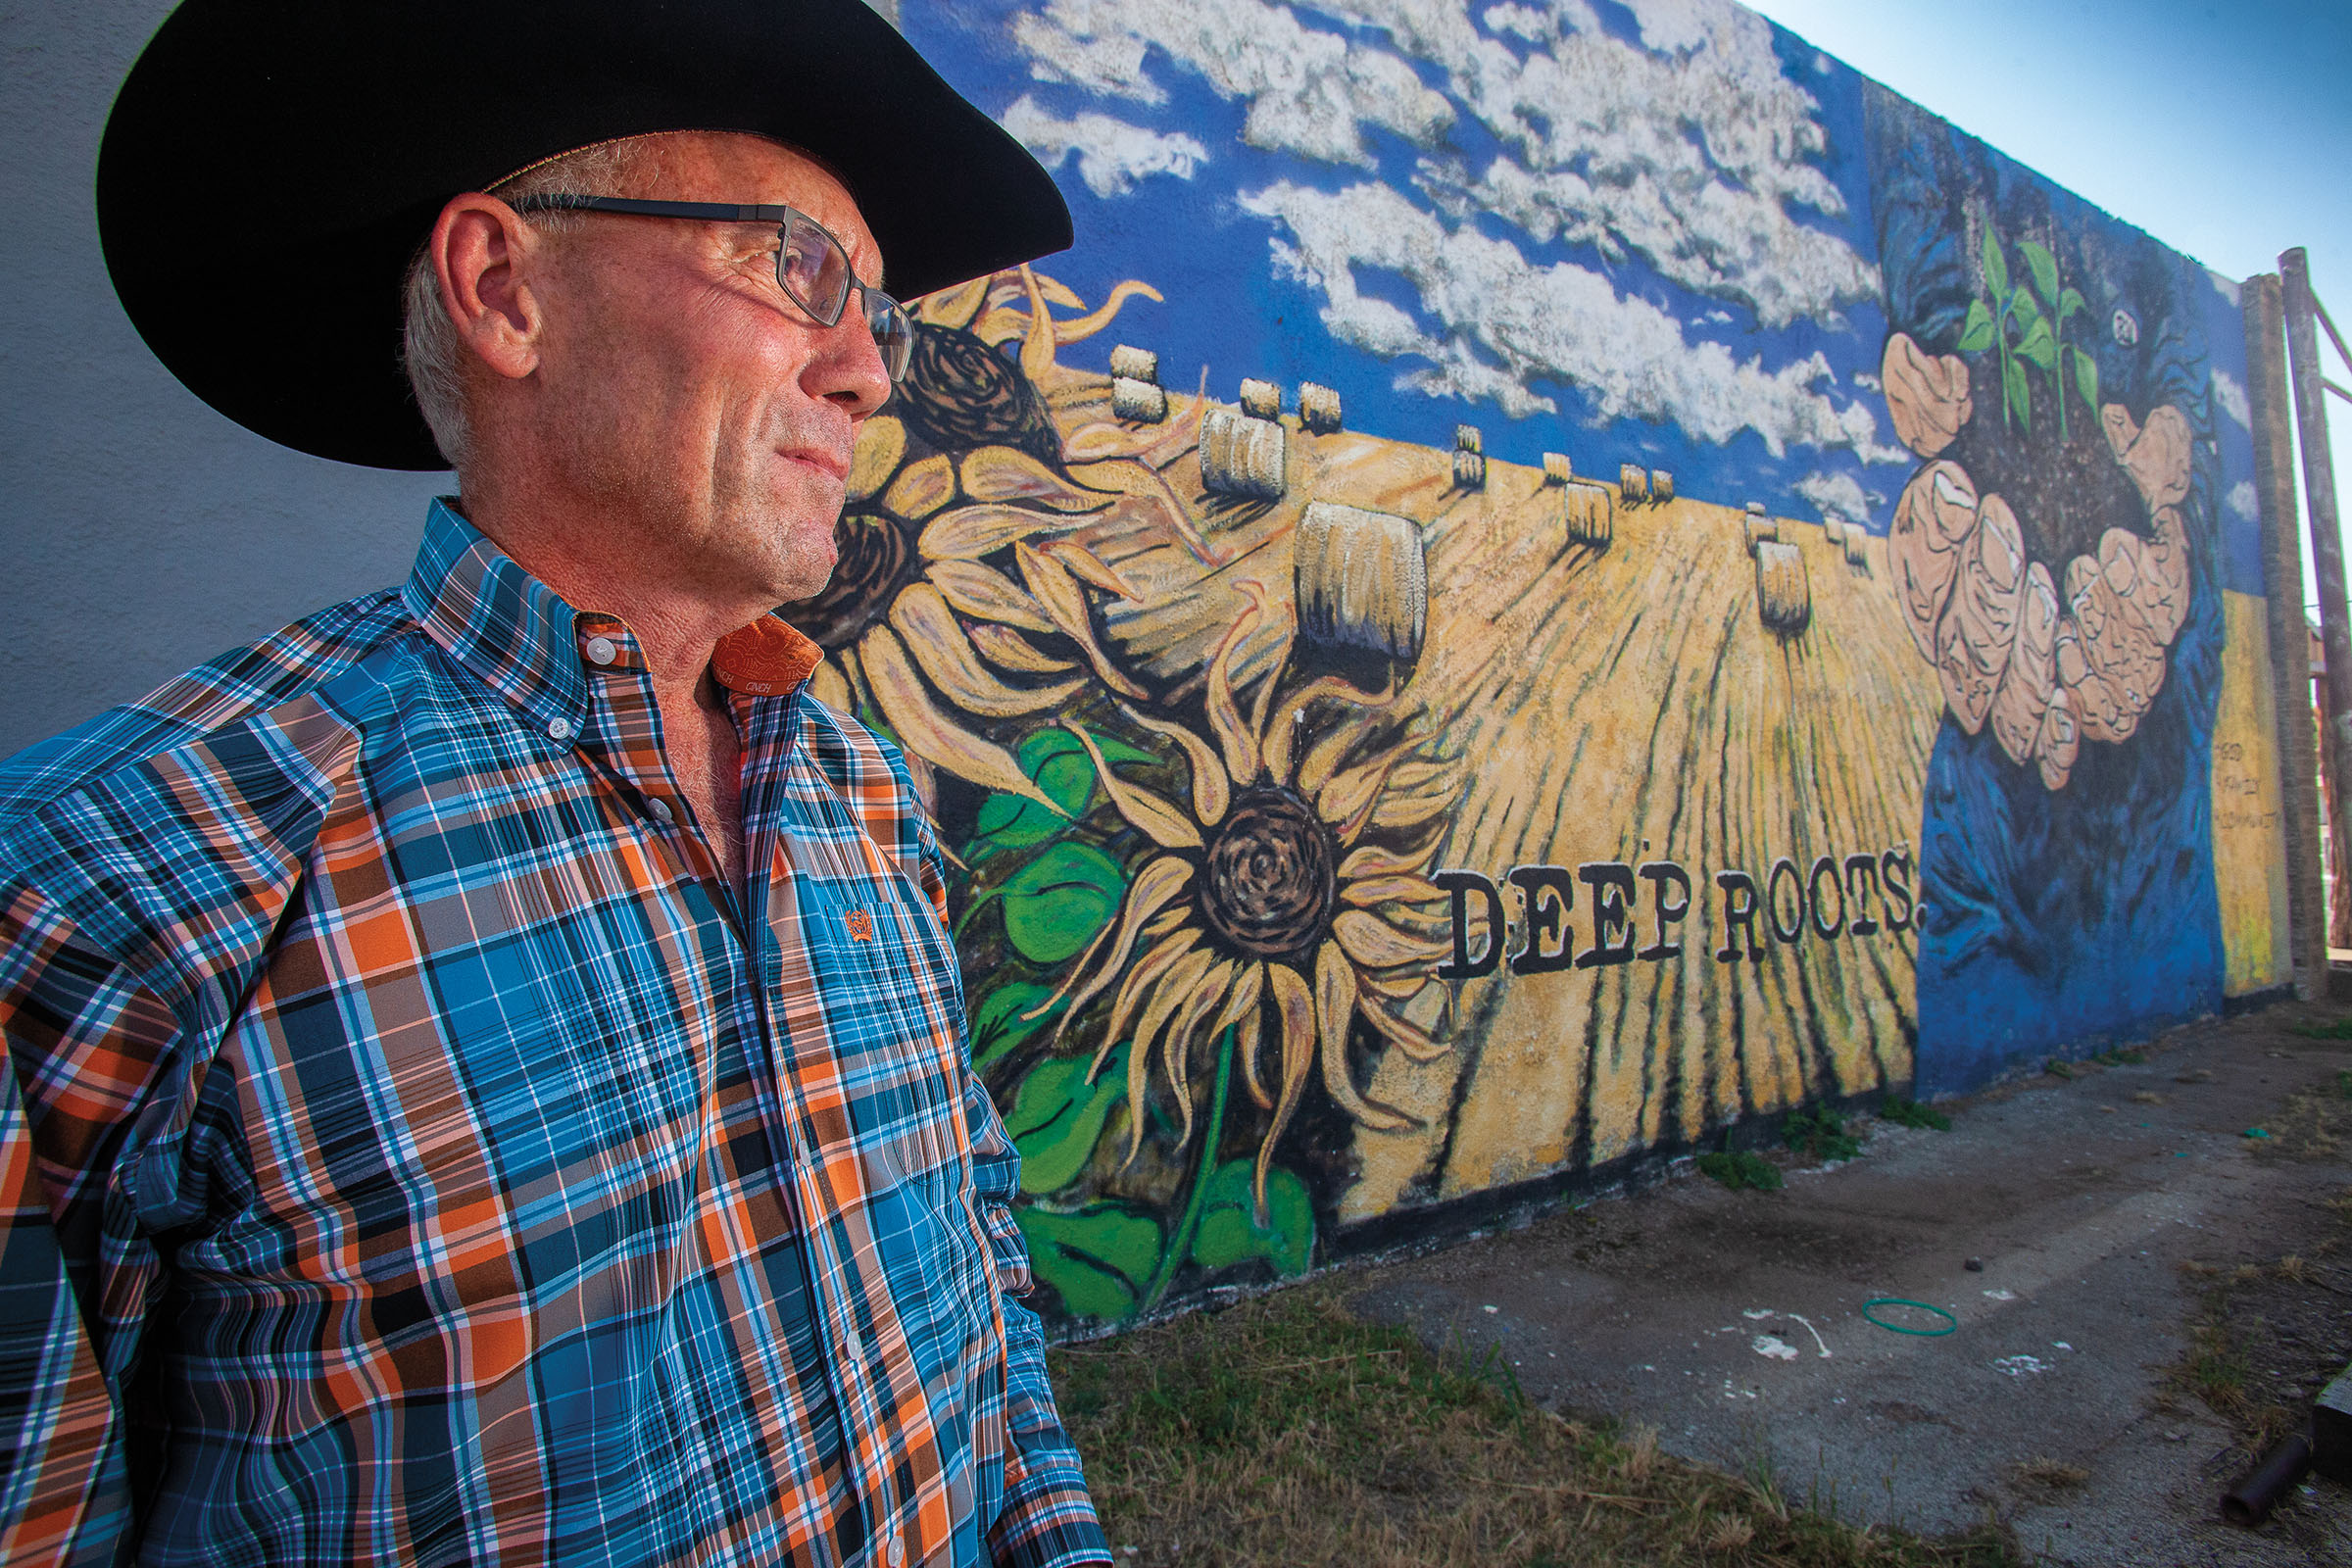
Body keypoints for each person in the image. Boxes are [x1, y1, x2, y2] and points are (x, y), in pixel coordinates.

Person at [0, 2, 1109, 1564]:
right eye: (802, 269)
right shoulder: (120, 888)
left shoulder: (856, 795)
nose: (866, 372)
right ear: (504, 290)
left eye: (879, 314)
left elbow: (979, 1289)